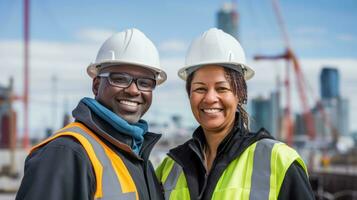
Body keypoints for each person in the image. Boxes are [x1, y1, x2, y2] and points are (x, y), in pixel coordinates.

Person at [156, 28, 314, 200]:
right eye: (200, 88)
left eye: (221, 88)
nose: (210, 98)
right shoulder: (169, 167)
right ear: (189, 95)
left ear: (240, 94)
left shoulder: (279, 161)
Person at [16, 28, 166, 200]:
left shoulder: (137, 155)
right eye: (119, 79)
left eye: (145, 82)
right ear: (96, 85)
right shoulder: (67, 152)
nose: (133, 90)